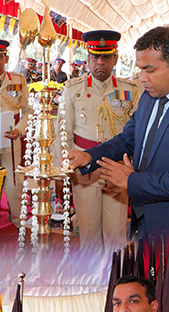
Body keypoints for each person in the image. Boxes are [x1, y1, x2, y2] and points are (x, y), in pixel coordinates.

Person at [68, 25, 169, 257]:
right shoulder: (152, 94)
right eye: (140, 69)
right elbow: (128, 139)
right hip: (147, 222)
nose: (142, 78)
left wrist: (132, 181)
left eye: (149, 70)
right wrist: (89, 156)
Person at [61, 30, 139, 248]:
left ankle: (114, 278)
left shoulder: (130, 91)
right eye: (96, 57)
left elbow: (138, 135)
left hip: (117, 168)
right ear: (88, 59)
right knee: (89, 234)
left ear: (115, 58)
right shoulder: (73, 90)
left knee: (116, 235)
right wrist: (64, 169)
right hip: (85, 171)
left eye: (106, 56)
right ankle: (91, 279)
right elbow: (64, 134)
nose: (100, 62)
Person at [0, 39, 29, 227]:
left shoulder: (18, 80)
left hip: (12, 137)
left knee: (14, 182)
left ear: (6, 58)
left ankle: (17, 219)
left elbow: (27, 111)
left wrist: (19, 130)